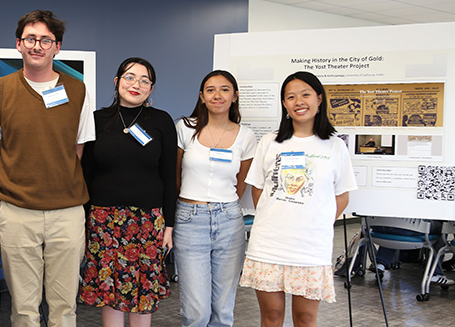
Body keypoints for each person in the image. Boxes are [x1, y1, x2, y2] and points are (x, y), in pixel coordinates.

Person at [0, 9, 95, 327]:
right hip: (17, 211)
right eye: (30, 39)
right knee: (24, 310)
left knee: (64, 308)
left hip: (67, 212)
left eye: (46, 40)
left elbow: (77, 149)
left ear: (57, 47)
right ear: (18, 44)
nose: (37, 46)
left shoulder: (78, 92)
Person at [240, 71, 358, 327]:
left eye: (305, 94)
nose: (298, 102)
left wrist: (315, 220)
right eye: (291, 97)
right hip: (269, 245)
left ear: (319, 98)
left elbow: (342, 196)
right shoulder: (270, 142)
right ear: (284, 104)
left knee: (305, 318)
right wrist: (279, 216)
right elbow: (259, 189)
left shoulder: (335, 146)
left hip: (310, 247)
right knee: (271, 317)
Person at [78, 57, 175, 327]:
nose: (136, 84)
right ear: (117, 81)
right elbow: (86, 174)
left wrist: (169, 225)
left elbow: (169, 175)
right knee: (110, 291)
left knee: (143, 291)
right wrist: (84, 221)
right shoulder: (98, 120)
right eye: (130, 77)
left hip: (148, 220)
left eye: (145, 81)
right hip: (103, 220)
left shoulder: (162, 121)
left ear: (151, 89)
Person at [173, 70, 256, 327]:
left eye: (224, 89)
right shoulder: (185, 127)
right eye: (210, 89)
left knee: (223, 307)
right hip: (189, 218)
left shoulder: (246, 136)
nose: (217, 95)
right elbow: (175, 175)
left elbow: (241, 183)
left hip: (229, 219)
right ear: (202, 96)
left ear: (235, 96)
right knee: (196, 309)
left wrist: (220, 206)